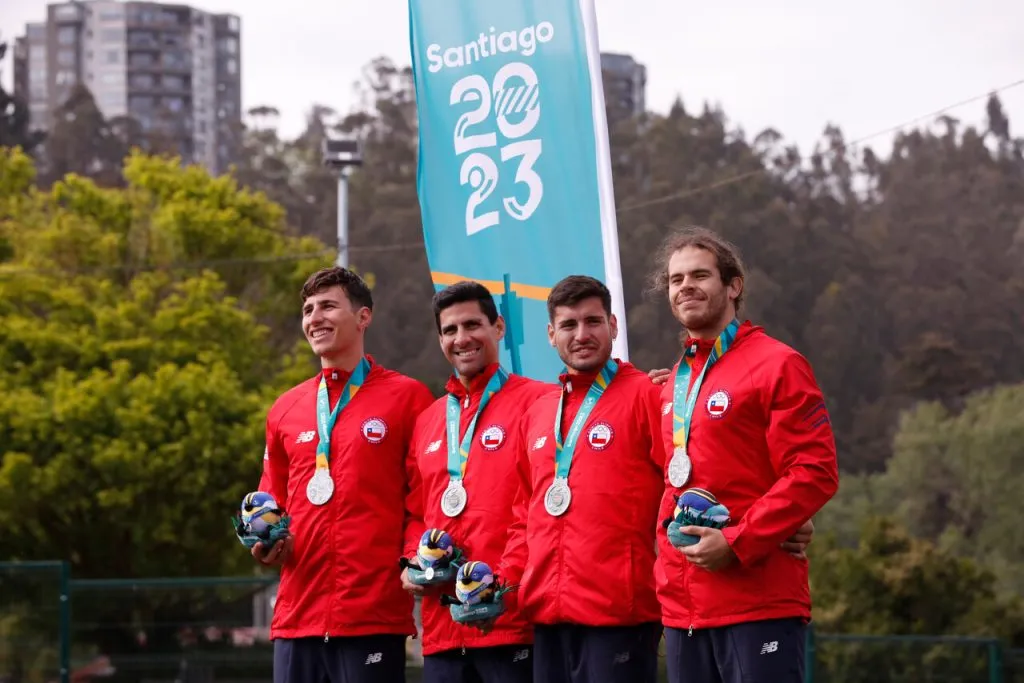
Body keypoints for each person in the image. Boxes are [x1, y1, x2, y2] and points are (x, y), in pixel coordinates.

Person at [649, 227, 840, 683]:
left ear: (733, 286)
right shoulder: (671, 385)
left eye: (700, 275)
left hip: (757, 601)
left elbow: (814, 470)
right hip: (683, 608)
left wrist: (739, 541)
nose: (686, 286)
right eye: (676, 280)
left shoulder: (778, 364)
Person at [254, 266, 435, 683]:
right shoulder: (284, 408)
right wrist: (264, 541)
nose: (315, 318)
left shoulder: (408, 398)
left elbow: (423, 499)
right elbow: (271, 499)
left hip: (372, 615)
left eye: (328, 306)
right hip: (297, 617)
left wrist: (414, 558)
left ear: (363, 316)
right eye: (308, 310)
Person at [497, 275, 667, 683]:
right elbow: (525, 517)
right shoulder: (538, 412)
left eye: (593, 322)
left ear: (613, 325)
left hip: (620, 615)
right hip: (547, 615)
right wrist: (505, 585)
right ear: (551, 334)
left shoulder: (648, 395)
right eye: (568, 325)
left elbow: (685, 485)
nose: (581, 335)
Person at [402, 281, 555, 683]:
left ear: (498, 327)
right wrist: (414, 559)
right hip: (443, 631)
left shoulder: (541, 402)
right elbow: (415, 512)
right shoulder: (429, 419)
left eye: (472, 325)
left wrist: (501, 587)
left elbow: (541, 512)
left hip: (512, 623)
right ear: (440, 340)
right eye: (450, 330)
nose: (461, 338)